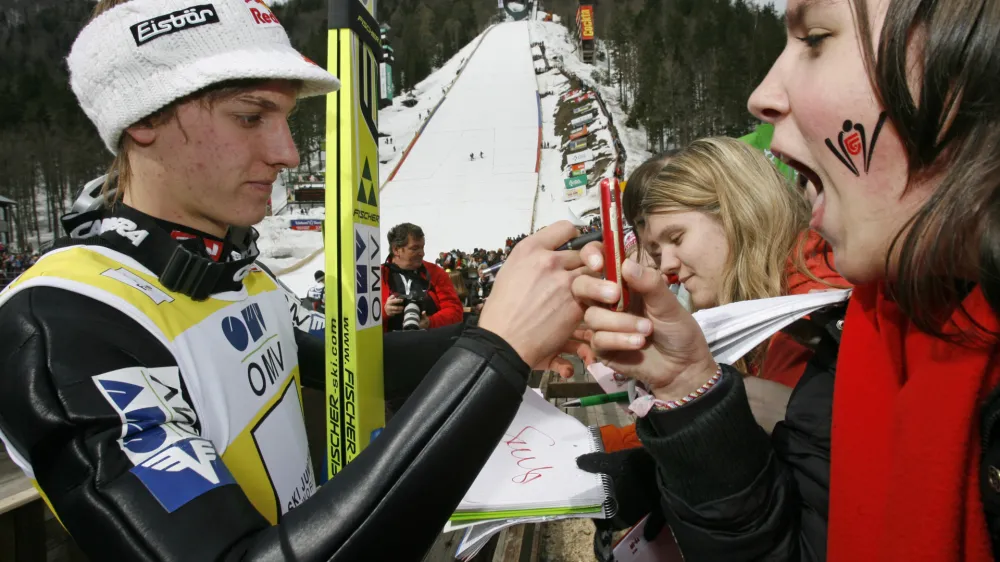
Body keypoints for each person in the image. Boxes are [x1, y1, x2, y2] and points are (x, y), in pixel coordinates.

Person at [0, 1, 593, 560]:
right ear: (144, 118)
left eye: (286, 118)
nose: (287, 151)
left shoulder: (228, 267)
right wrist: (496, 353)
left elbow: (355, 361)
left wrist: (512, 328)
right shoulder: (66, 319)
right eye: (251, 116)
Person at [573, 0, 1000, 560]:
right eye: (654, 249)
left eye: (817, 37)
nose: (763, 95)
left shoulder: (817, 322)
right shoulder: (881, 324)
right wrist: (685, 398)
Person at [381, 223, 464, 332]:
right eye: (415, 248)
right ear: (396, 250)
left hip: (430, 343)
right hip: (389, 345)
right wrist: (384, 312)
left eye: (422, 247)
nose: (422, 253)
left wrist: (430, 322)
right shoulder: (378, 275)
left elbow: (455, 312)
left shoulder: (435, 273)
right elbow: (359, 315)